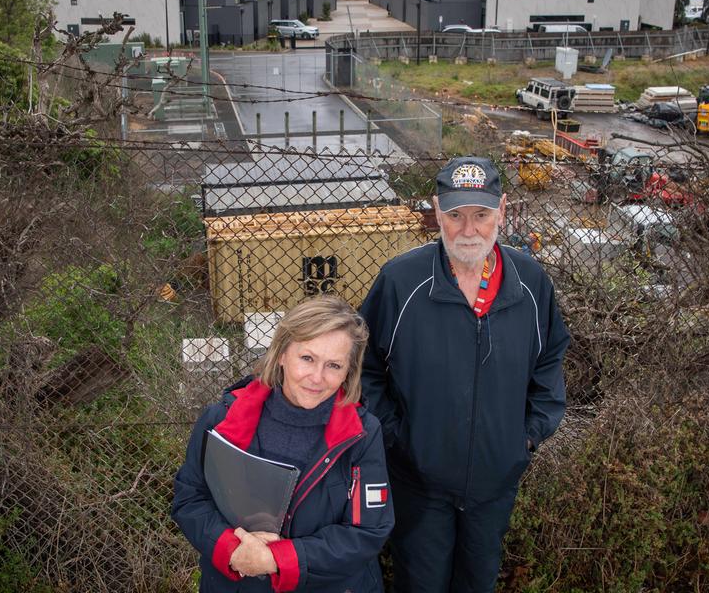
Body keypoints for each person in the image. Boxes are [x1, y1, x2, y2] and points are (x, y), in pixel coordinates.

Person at [359, 155, 570, 593]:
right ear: (436, 212)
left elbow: (550, 359)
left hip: (495, 484)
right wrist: (401, 438)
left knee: (477, 582)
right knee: (421, 583)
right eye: (455, 215)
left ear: (503, 210)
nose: (468, 229)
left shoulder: (531, 282)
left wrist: (526, 436)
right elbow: (365, 369)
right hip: (419, 484)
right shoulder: (401, 282)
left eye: (481, 214)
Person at [172, 295, 394, 592]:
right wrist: (231, 548)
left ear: (348, 372)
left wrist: (279, 559)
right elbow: (190, 499)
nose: (317, 377)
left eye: (334, 366)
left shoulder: (361, 435)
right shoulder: (223, 419)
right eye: (307, 358)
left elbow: (368, 530)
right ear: (281, 354)